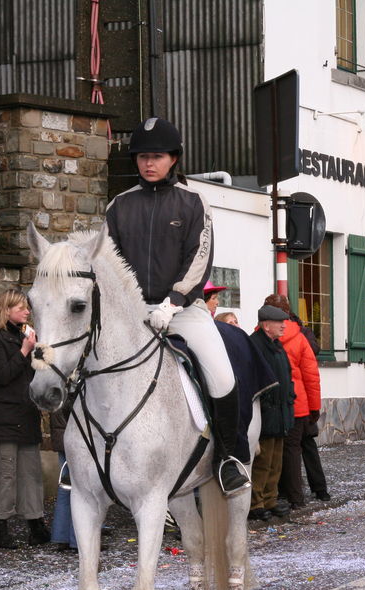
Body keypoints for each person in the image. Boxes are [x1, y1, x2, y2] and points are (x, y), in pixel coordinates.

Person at [105, 116, 248, 496]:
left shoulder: (194, 202)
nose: (148, 163)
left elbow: (199, 257)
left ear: (173, 159)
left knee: (222, 375)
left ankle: (228, 459)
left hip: (183, 311)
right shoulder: (118, 206)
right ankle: (80, 461)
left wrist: (172, 302)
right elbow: (107, 261)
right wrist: (129, 306)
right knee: (86, 366)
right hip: (133, 314)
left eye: (156, 156)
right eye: (141, 157)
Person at [0, 289, 51, 550]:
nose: (26, 311)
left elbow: (37, 373)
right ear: (7, 309)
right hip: (3, 416)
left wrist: (37, 351)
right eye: (20, 307)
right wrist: (24, 350)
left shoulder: (26, 337)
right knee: (5, 474)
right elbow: (2, 375)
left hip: (26, 413)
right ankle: (2, 526)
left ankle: (36, 526)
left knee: (31, 473)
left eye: (26, 307)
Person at [265, 293, 330, 501]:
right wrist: (314, 407)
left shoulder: (260, 336)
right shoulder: (300, 334)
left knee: (279, 450)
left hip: (275, 403)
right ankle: (316, 490)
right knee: (302, 446)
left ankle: (285, 493)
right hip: (300, 402)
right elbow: (311, 377)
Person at [248, 305, 295, 521]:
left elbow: (286, 374)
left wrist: (290, 397)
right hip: (266, 412)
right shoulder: (255, 345)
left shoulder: (277, 346)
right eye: (279, 322)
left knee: (276, 461)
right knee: (263, 461)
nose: (284, 326)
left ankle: (270, 499)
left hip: (281, 410)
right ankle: (256, 502)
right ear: (266, 326)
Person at [49, 397, 77, 551]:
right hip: (72, 431)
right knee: (81, 488)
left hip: (61, 430)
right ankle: (77, 540)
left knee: (66, 486)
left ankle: (61, 536)